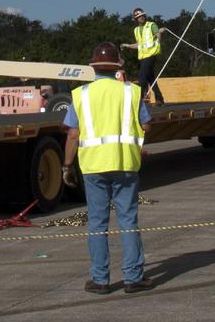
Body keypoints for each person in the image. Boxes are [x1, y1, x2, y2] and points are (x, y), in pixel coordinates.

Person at [62, 42, 154, 294]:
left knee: (97, 223)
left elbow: (73, 134)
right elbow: (146, 126)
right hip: (125, 163)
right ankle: (133, 277)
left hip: (93, 166)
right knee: (128, 220)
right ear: (117, 67)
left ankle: (100, 280)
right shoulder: (131, 92)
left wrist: (66, 166)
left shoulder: (80, 95)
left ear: (93, 67)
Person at [121, 8, 165, 106]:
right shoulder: (136, 30)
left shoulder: (151, 25)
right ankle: (159, 98)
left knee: (142, 76)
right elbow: (139, 45)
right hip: (143, 57)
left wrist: (159, 33)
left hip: (151, 54)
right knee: (150, 78)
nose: (141, 17)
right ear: (136, 19)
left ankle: (139, 99)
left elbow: (158, 36)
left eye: (142, 15)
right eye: (139, 17)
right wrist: (128, 45)